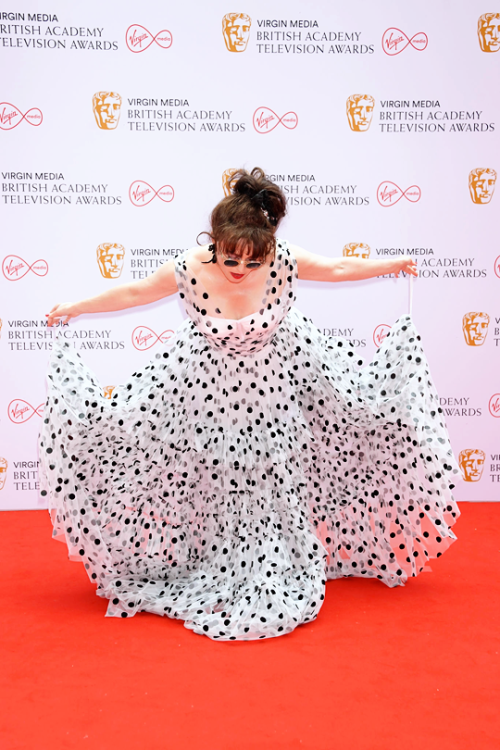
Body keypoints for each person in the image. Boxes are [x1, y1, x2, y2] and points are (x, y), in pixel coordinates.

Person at [41, 168, 460, 641]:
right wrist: (77, 306)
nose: (240, 270)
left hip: (274, 382)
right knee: (209, 472)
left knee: (279, 470)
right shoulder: (187, 266)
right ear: (213, 242)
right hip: (206, 386)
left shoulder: (284, 259)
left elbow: (338, 268)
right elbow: (134, 291)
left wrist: (392, 264)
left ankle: (279, 555)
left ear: (268, 249)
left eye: (253, 262)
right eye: (229, 258)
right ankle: (218, 556)